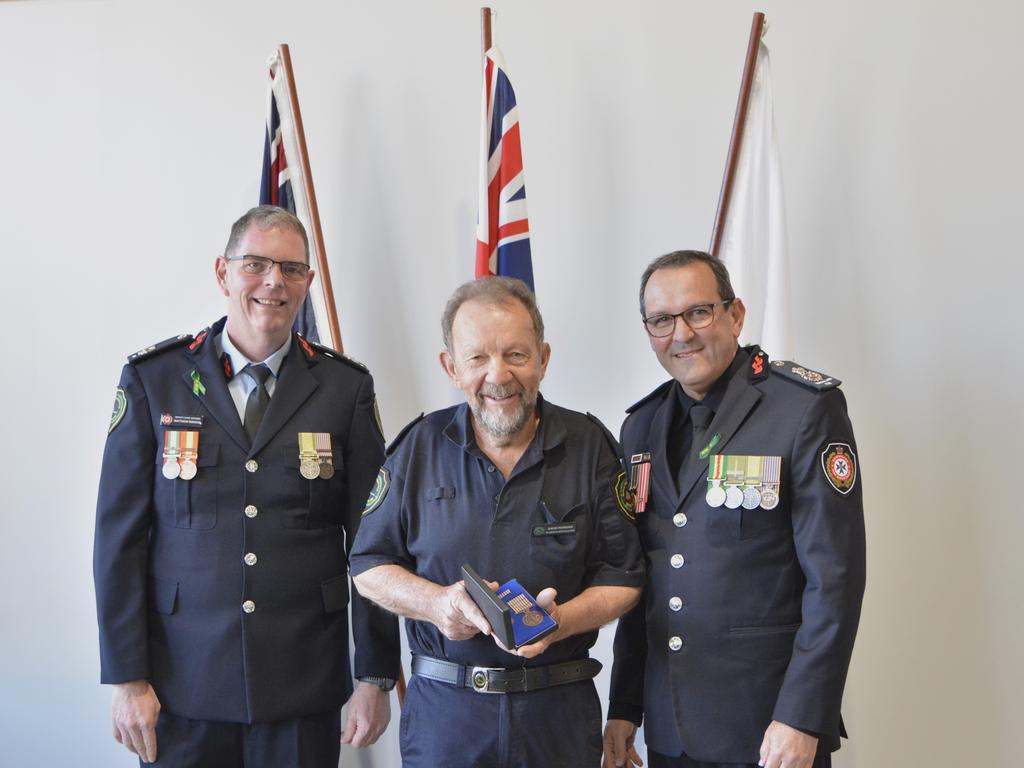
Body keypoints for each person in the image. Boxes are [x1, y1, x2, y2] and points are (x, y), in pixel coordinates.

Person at [93, 205, 401, 767]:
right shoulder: (154, 380)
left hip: (303, 685)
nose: (272, 282)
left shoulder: (343, 389)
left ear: (307, 282)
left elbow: (372, 544)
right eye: (255, 264)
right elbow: (119, 539)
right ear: (223, 272)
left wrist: (376, 674)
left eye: (290, 269)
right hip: (179, 687)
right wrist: (127, 676)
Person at [350, 276, 645, 768]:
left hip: (558, 717)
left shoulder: (590, 445)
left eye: (516, 354)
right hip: (446, 720)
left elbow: (625, 575)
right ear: (451, 367)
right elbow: (367, 565)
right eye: (478, 358)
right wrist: (436, 604)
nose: (498, 375)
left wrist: (561, 621)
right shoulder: (417, 448)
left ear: (543, 358)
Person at [603, 251, 866, 768]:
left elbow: (835, 579)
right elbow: (646, 580)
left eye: (698, 312)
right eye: (662, 320)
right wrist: (625, 704)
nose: (681, 334)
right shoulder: (641, 427)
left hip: (768, 728)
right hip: (669, 727)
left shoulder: (803, 409)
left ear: (735, 314)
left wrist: (802, 716)